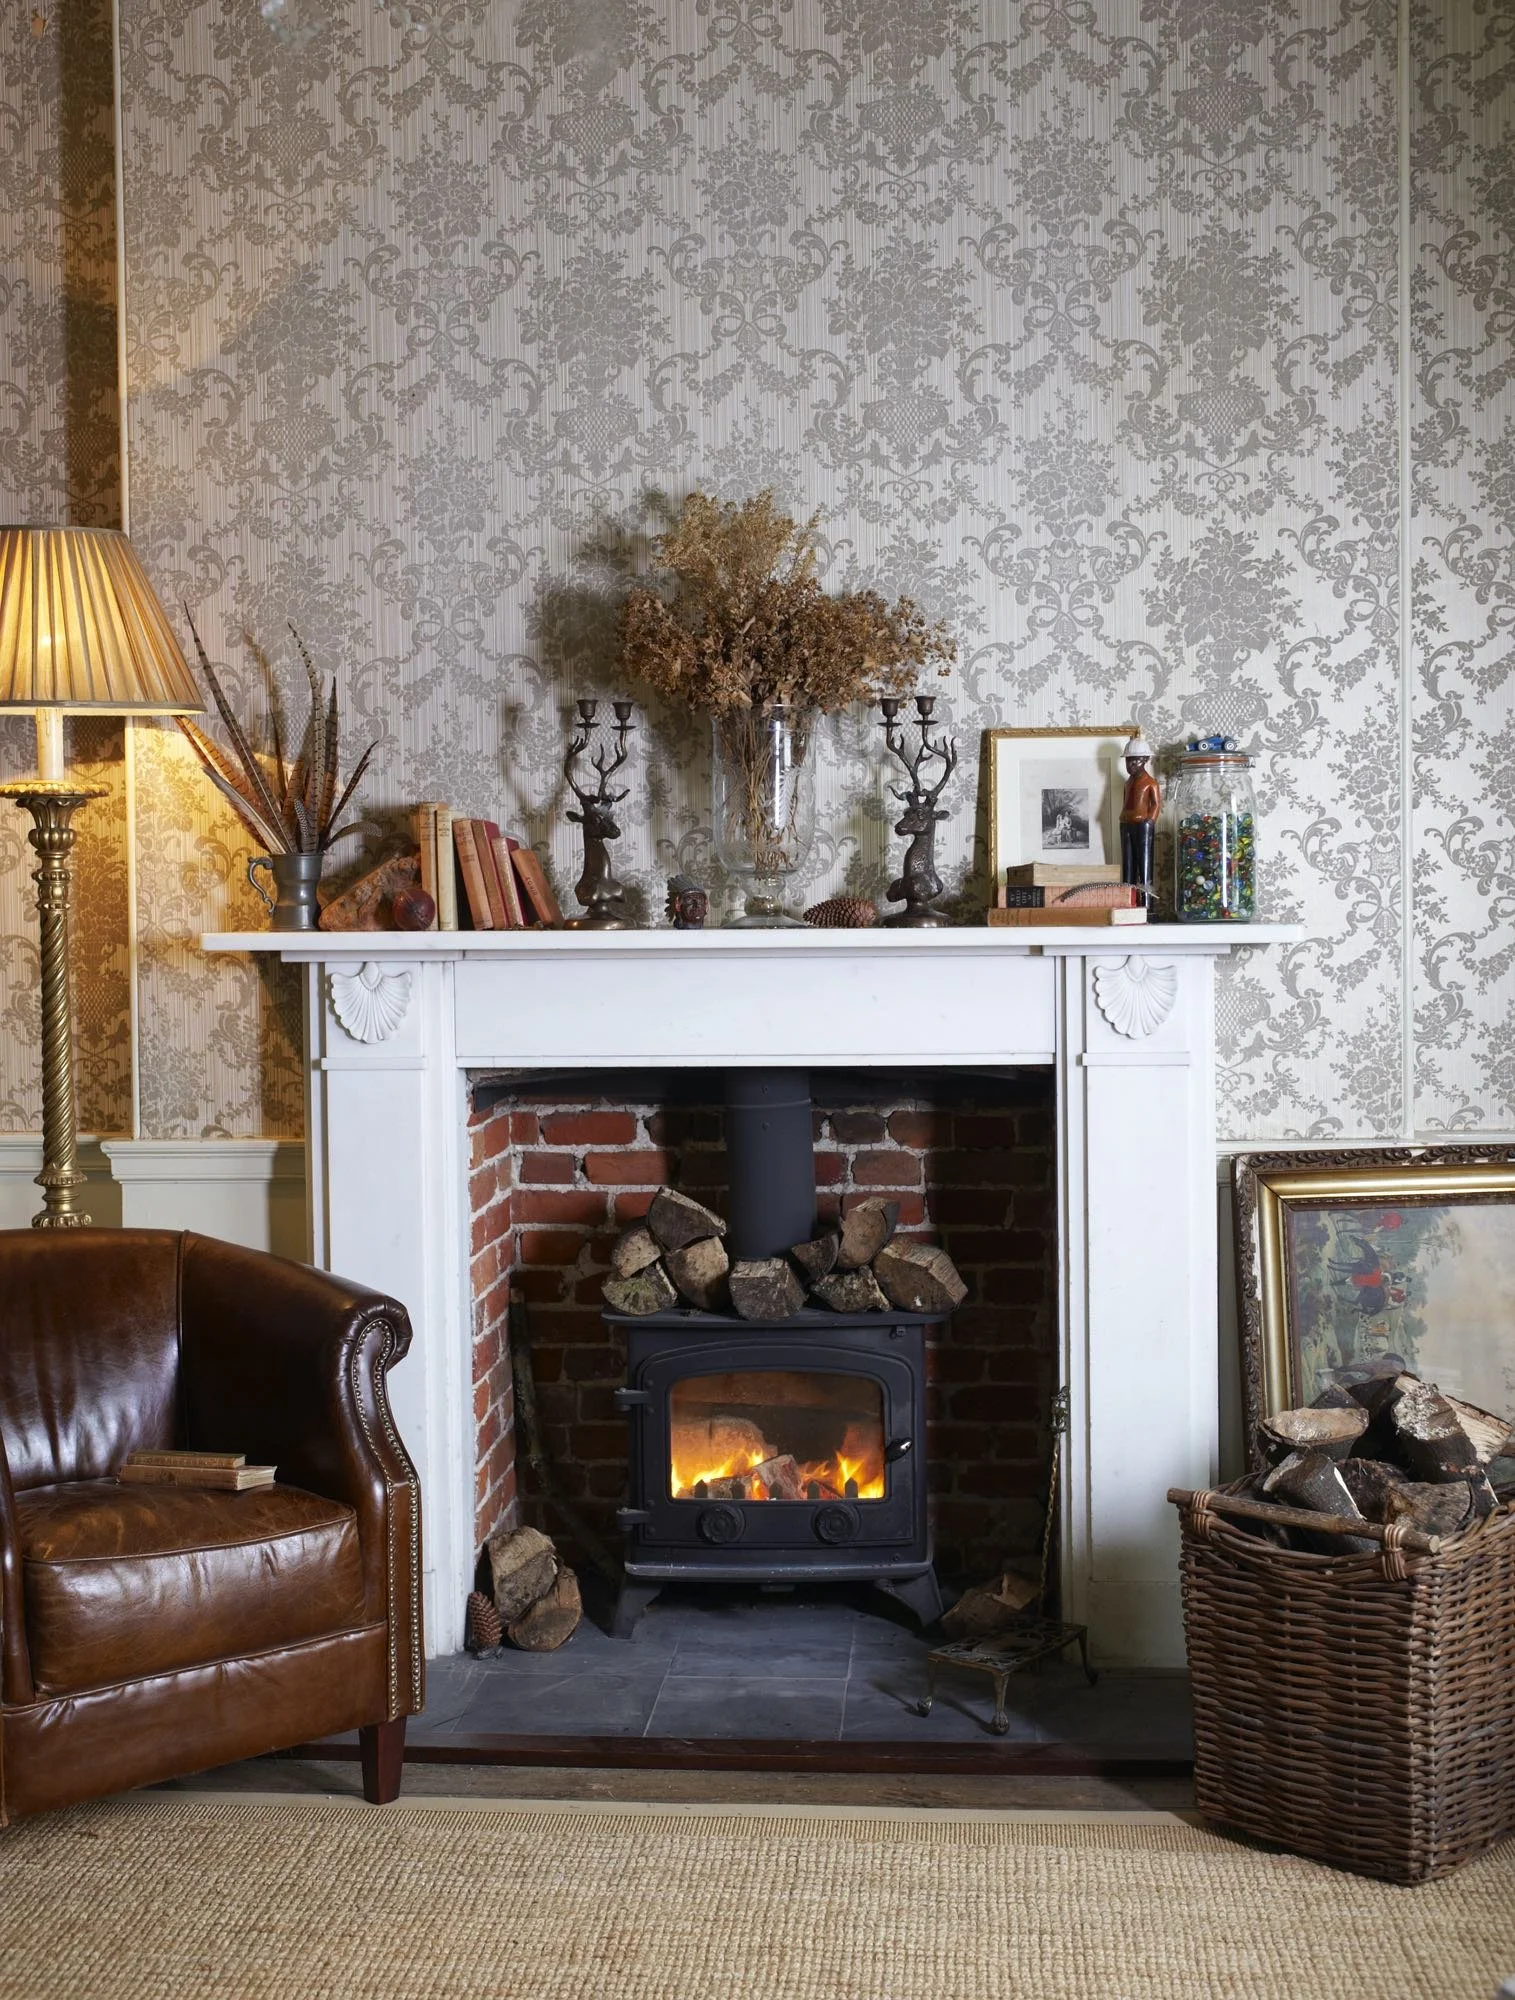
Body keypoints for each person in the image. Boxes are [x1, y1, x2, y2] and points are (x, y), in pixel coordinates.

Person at [1120, 733, 1160, 907]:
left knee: (1144, 866)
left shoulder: (1150, 782)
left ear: (1144, 760)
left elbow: (1156, 804)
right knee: (1128, 866)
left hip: (1143, 825)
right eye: (1128, 760)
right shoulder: (1128, 783)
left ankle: (1146, 904)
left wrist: (1149, 821)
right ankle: (1127, 902)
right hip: (1126, 824)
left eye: (1134, 761)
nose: (1130, 765)